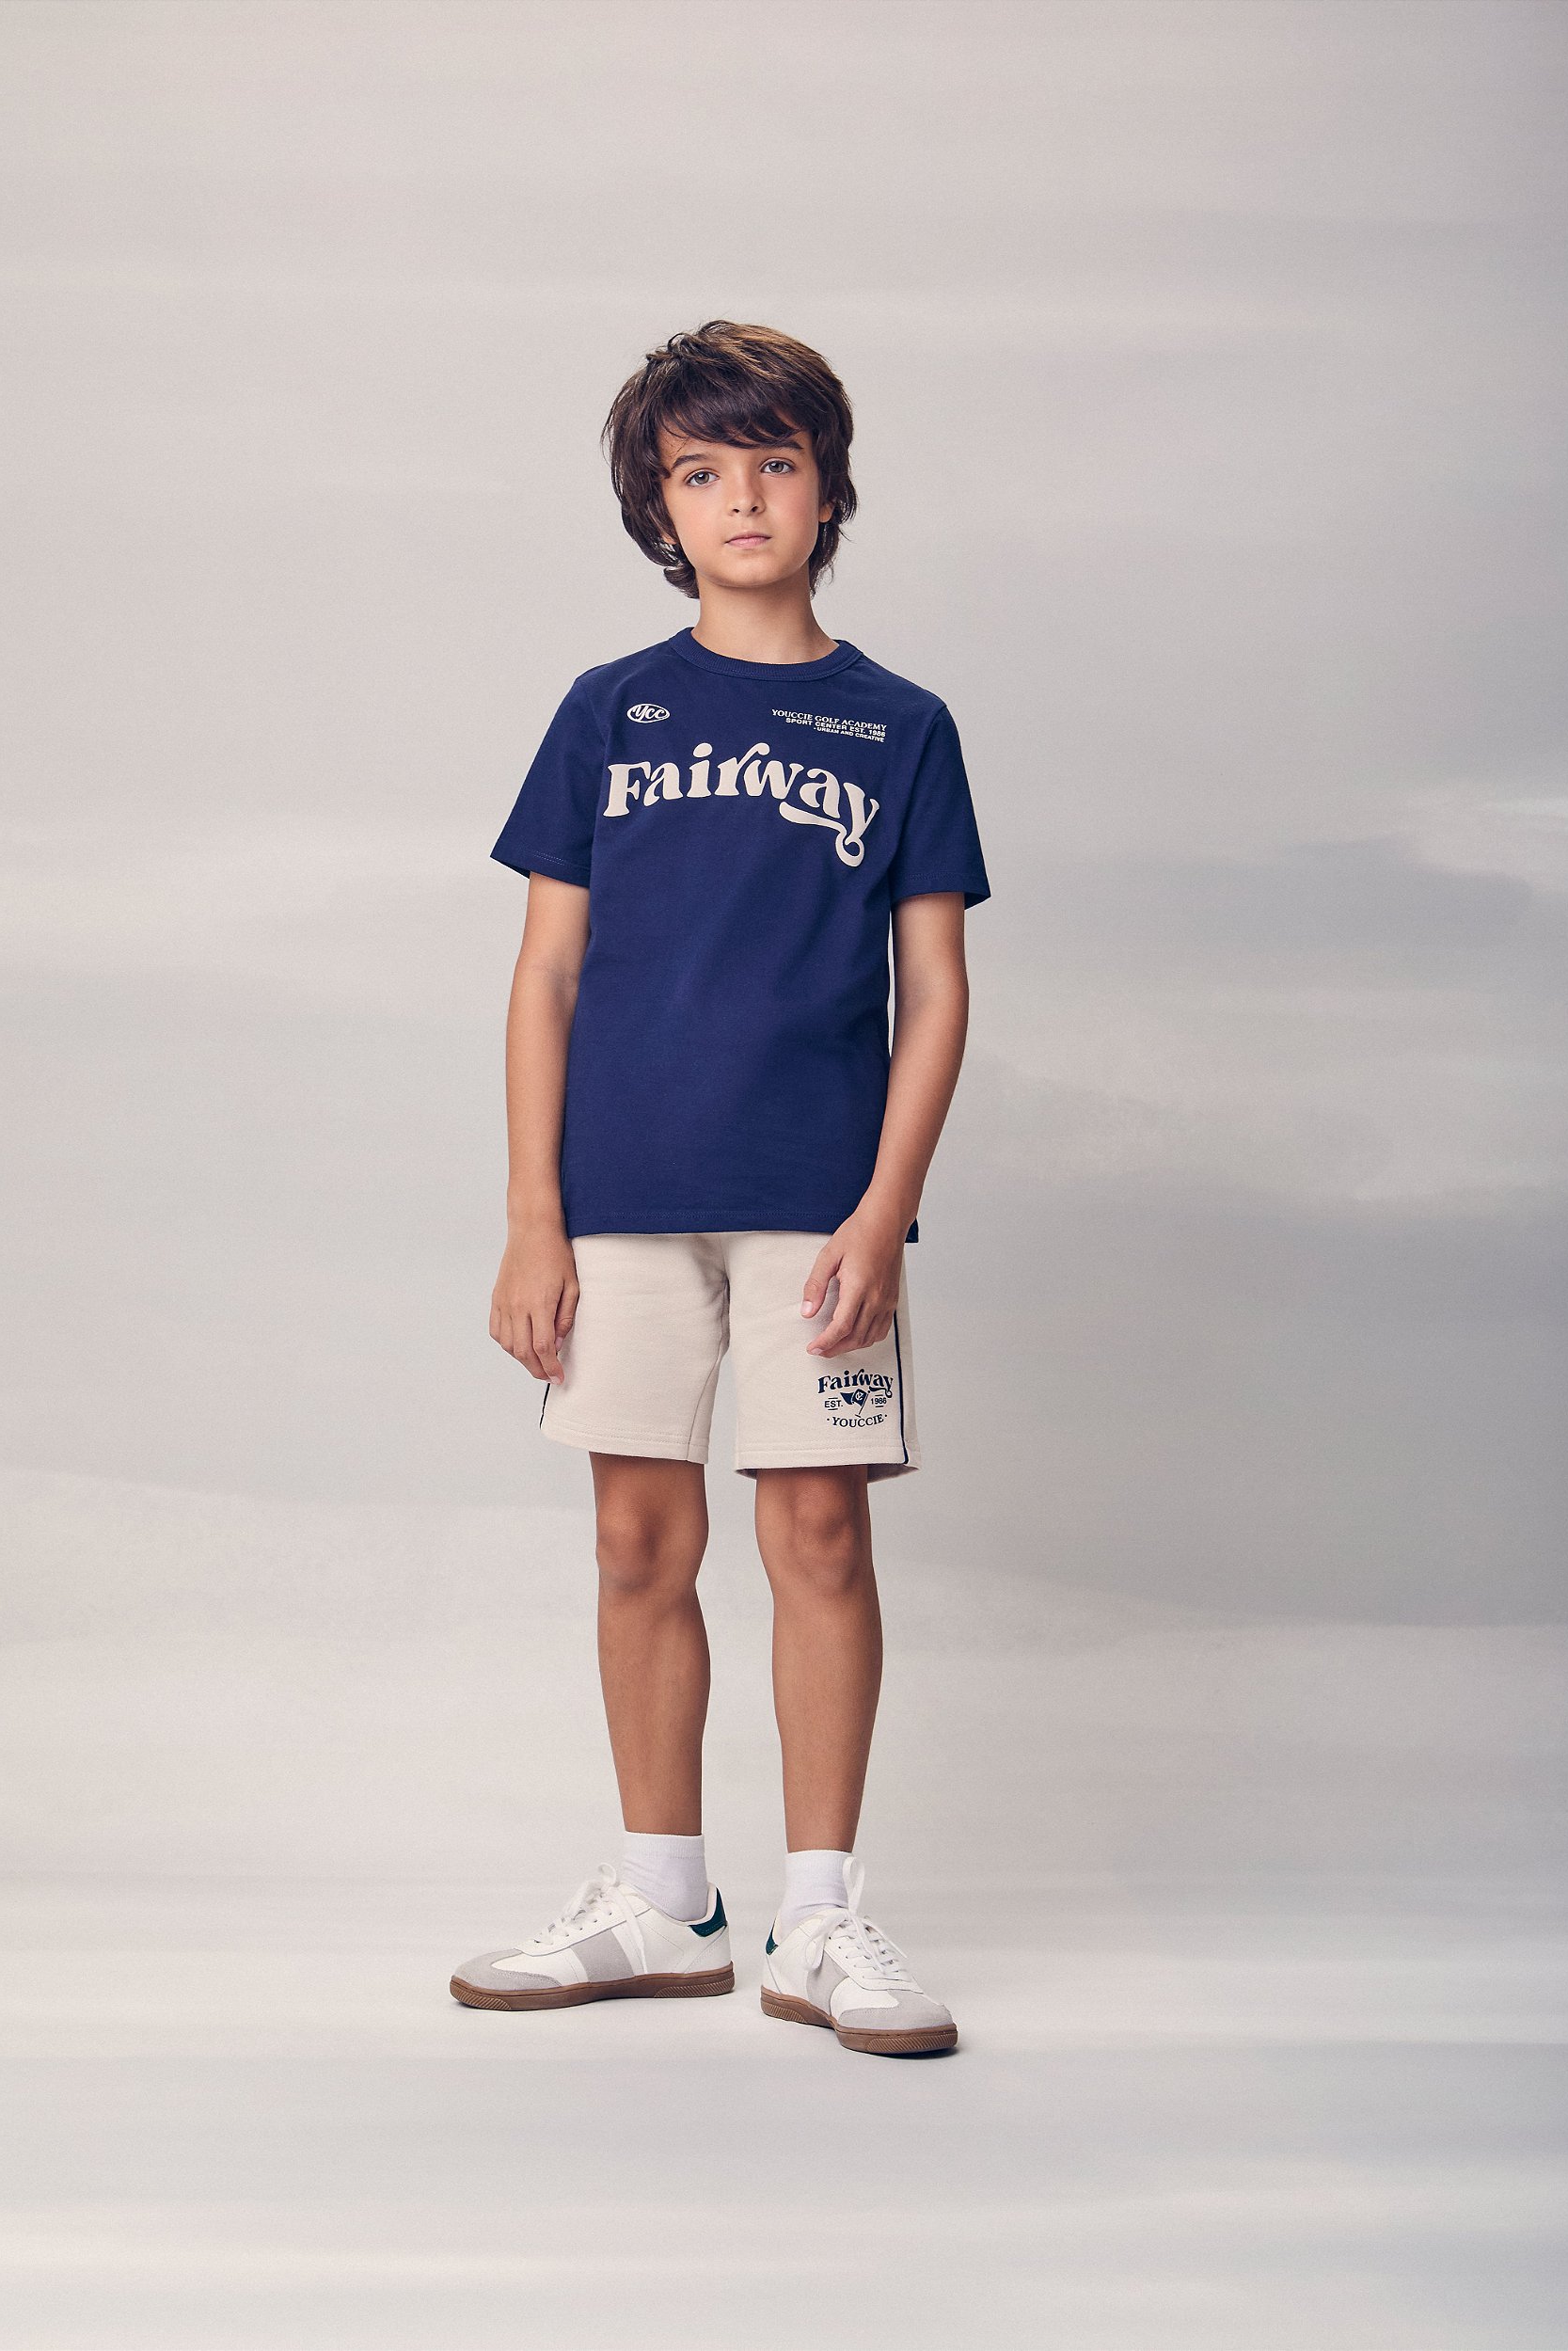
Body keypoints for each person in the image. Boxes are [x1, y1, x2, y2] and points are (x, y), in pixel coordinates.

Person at [450, 322, 990, 2057]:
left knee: (818, 1531)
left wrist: (884, 1213)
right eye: (702, 471)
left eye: (774, 463)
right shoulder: (607, 711)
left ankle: (818, 1920)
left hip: (817, 1203)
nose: (742, 497)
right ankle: (664, 1901)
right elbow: (545, 975)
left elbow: (936, 994)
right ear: (659, 508)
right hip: (620, 1201)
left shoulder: (900, 727)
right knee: (635, 1537)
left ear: (828, 490)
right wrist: (532, 1217)